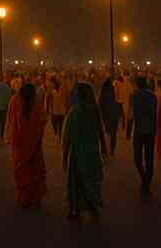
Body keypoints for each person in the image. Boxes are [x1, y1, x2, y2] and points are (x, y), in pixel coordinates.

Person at [62, 82, 107, 221]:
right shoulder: (94, 110)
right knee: (91, 181)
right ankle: (93, 207)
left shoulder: (73, 112)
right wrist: (104, 148)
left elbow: (67, 136)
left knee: (76, 181)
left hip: (77, 153)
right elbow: (100, 131)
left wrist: (64, 156)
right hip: (92, 151)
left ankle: (74, 208)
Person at [9, 81, 48, 209]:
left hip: (19, 145)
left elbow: (10, 120)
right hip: (34, 145)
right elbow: (42, 122)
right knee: (35, 172)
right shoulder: (36, 104)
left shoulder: (14, 101)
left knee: (21, 172)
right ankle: (36, 199)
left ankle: (23, 199)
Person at [128, 75, 158, 194]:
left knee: (138, 158)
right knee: (149, 158)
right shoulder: (153, 96)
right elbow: (154, 113)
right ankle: (146, 181)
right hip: (150, 130)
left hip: (139, 130)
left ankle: (144, 179)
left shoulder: (135, 96)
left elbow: (134, 113)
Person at [98, 79, 122, 157]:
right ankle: (111, 150)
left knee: (106, 134)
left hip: (106, 117)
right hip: (113, 116)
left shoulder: (103, 95)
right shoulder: (113, 93)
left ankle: (105, 150)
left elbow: (100, 106)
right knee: (113, 135)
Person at [0, 74, 12, 143]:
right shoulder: (7, 87)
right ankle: (1, 137)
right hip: (4, 107)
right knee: (3, 123)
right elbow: (9, 97)